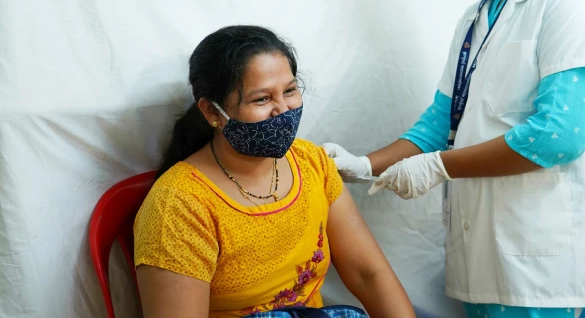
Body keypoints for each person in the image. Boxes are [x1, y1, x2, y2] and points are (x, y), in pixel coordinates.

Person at [322, 0, 585, 317]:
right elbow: (440, 122)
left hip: (555, 267)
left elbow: (559, 137)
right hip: (489, 257)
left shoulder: (570, 2)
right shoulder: (475, 19)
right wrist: (363, 165)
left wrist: (440, 166)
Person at [133, 26, 415, 318]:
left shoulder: (311, 163)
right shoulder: (178, 206)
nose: (283, 109)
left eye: (290, 91)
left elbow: (368, 274)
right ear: (212, 112)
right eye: (262, 99)